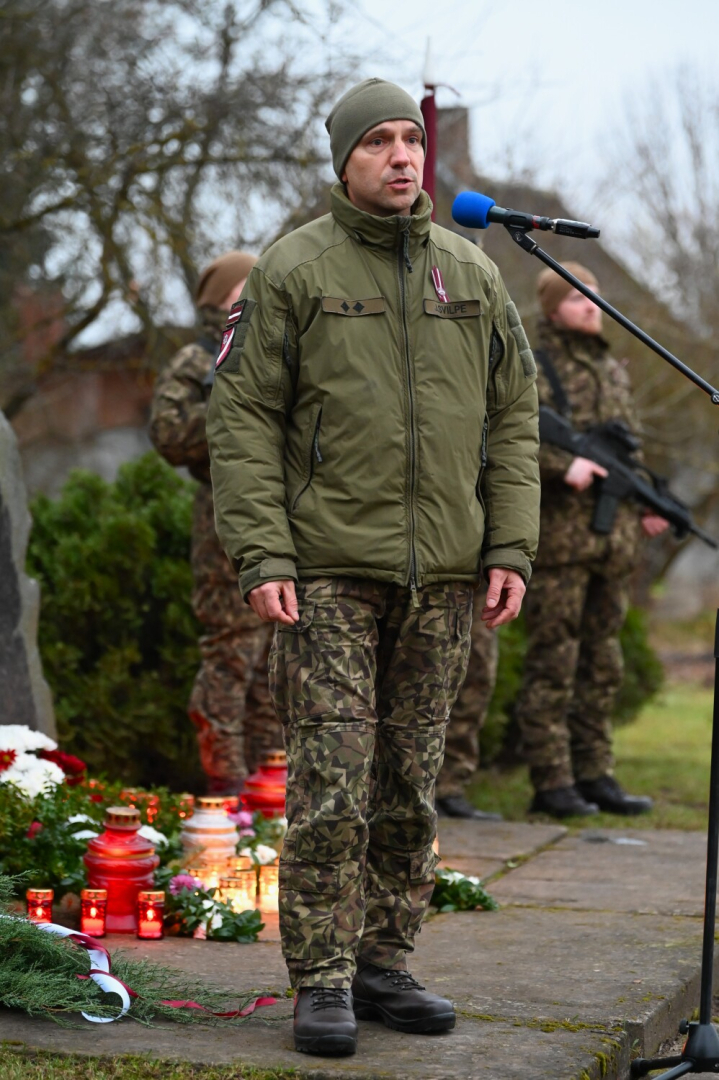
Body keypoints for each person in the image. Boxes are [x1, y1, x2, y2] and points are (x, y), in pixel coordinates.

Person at [207, 78, 540, 1057]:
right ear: (344, 159)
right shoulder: (292, 269)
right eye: (378, 141)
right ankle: (320, 977)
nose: (400, 156)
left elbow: (513, 418)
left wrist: (508, 545)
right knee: (331, 783)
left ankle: (385, 963)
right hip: (326, 574)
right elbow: (242, 419)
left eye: (410, 140)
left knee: (409, 782)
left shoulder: (469, 271)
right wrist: (263, 551)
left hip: (442, 578)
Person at [514, 262, 668, 820]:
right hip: (561, 542)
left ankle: (595, 774)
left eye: (595, 296)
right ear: (552, 307)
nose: (591, 305)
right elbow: (510, 436)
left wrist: (647, 500)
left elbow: (627, 453)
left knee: (603, 664)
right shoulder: (534, 364)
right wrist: (564, 466)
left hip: (613, 542)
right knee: (554, 661)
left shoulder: (610, 369)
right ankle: (552, 780)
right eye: (578, 297)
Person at [149, 251, 282, 796]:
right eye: (246, 285)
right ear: (220, 298)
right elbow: (168, 434)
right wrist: (235, 408)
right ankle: (224, 786)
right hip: (224, 524)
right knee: (231, 652)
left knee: (277, 661)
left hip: (286, 520)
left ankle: (270, 785)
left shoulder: (278, 346)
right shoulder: (198, 359)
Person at [436, 593, 502, 821]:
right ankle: (407, 789)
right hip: (427, 581)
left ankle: (449, 786)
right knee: (423, 675)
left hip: (478, 580)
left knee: (476, 676)